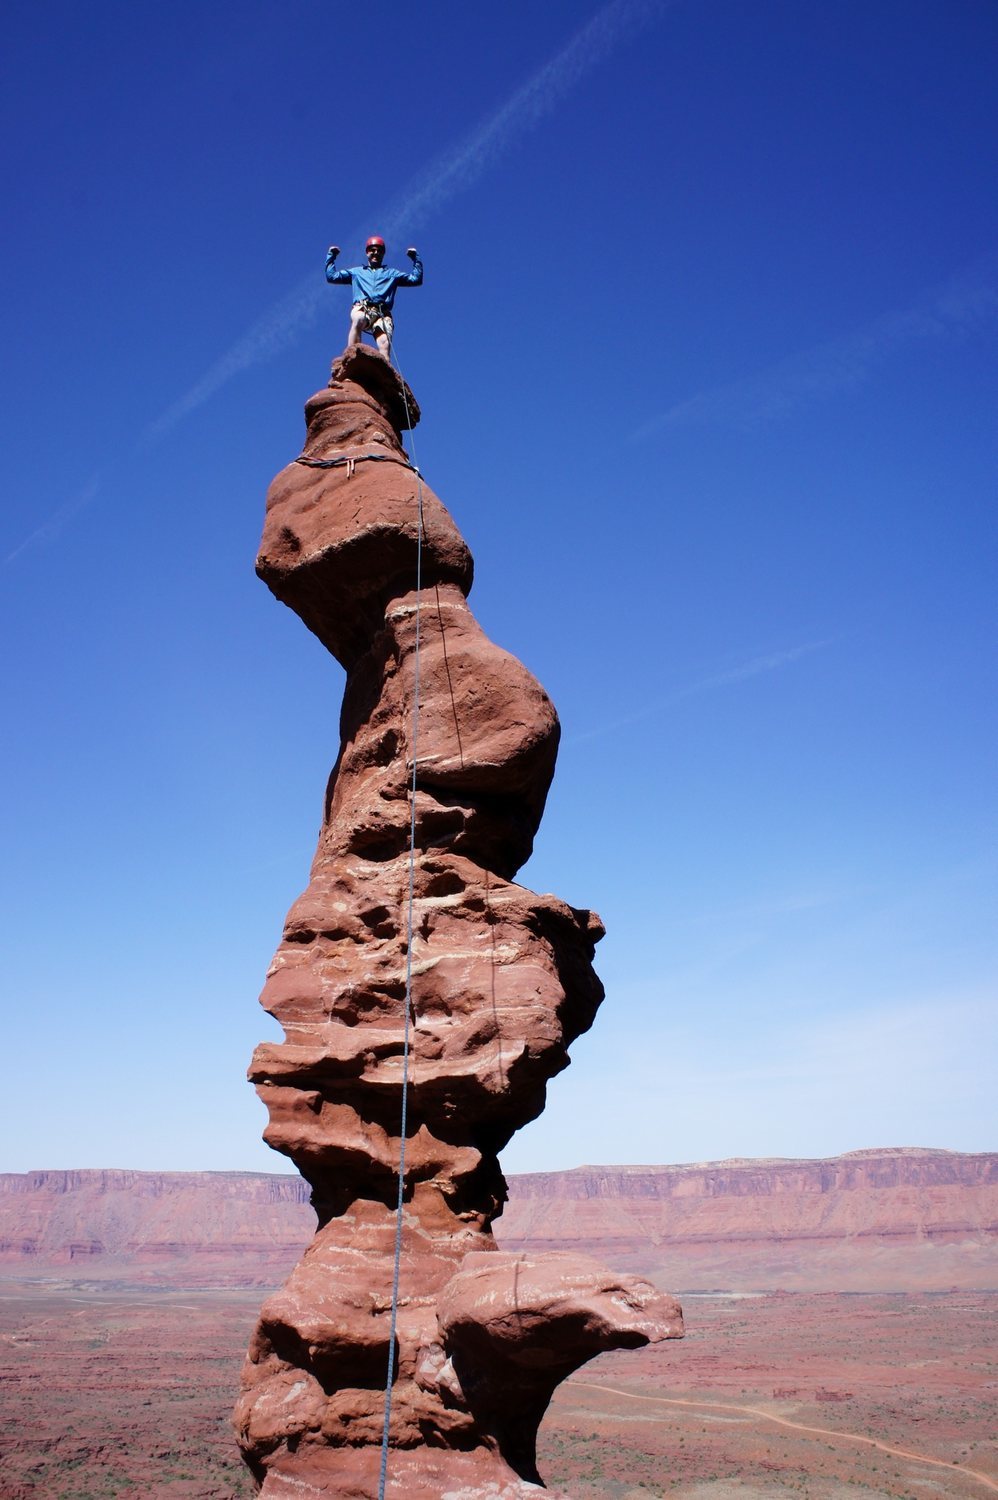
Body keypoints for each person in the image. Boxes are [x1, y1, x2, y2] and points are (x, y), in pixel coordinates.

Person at [325, 236, 422, 359]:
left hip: (382, 313)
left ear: (383, 254)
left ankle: (383, 373)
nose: (375, 253)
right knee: (358, 319)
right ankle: (352, 358)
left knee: (384, 343)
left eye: (379, 251)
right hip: (363, 308)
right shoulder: (357, 272)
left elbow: (416, 279)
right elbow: (332, 276)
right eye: (372, 250)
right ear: (367, 252)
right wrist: (331, 256)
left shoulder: (392, 274)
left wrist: (415, 259)